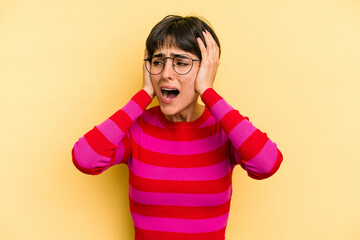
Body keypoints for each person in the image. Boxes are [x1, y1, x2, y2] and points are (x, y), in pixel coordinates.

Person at [72, 15, 283, 240]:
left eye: (181, 63)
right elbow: (85, 158)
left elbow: (267, 163)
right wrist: (144, 94)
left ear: (206, 70)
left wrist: (208, 91)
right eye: (158, 61)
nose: (165, 74)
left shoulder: (225, 129)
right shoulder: (137, 130)